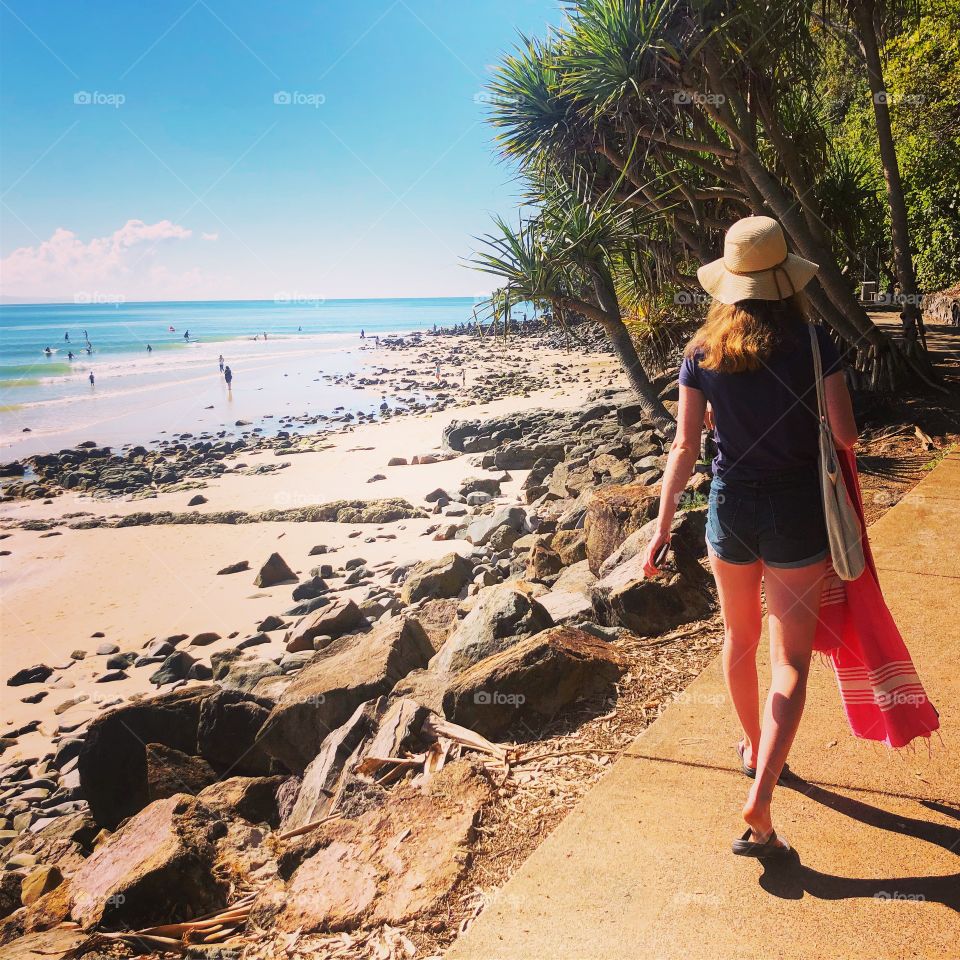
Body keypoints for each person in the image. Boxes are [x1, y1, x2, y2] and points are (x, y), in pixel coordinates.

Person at [642, 216, 857, 859]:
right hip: (797, 510)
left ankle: (751, 747)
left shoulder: (701, 353)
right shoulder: (818, 345)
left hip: (730, 508)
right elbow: (845, 437)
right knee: (789, 661)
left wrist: (660, 527)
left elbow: (684, 447)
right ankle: (762, 794)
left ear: (730, 282)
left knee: (739, 638)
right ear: (786, 280)